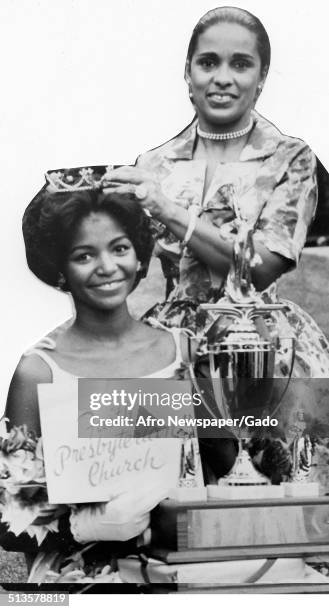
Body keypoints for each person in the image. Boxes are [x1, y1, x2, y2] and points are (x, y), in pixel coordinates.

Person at [104, 6, 329, 378]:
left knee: (270, 435)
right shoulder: (154, 163)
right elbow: (126, 268)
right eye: (208, 63)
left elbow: (260, 270)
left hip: (261, 342)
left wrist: (167, 209)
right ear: (187, 72)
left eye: (240, 64)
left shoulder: (290, 158)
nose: (222, 78)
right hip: (171, 341)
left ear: (262, 76)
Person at [3, 166, 199, 581]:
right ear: (59, 268)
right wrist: (81, 526)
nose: (107, 267)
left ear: (140, 254)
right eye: (84, 255)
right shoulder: (38, 371)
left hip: (180, 573)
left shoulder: (181, 351)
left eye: (120, 248)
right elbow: (9, 528)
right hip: (77, 585)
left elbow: (226, 471)